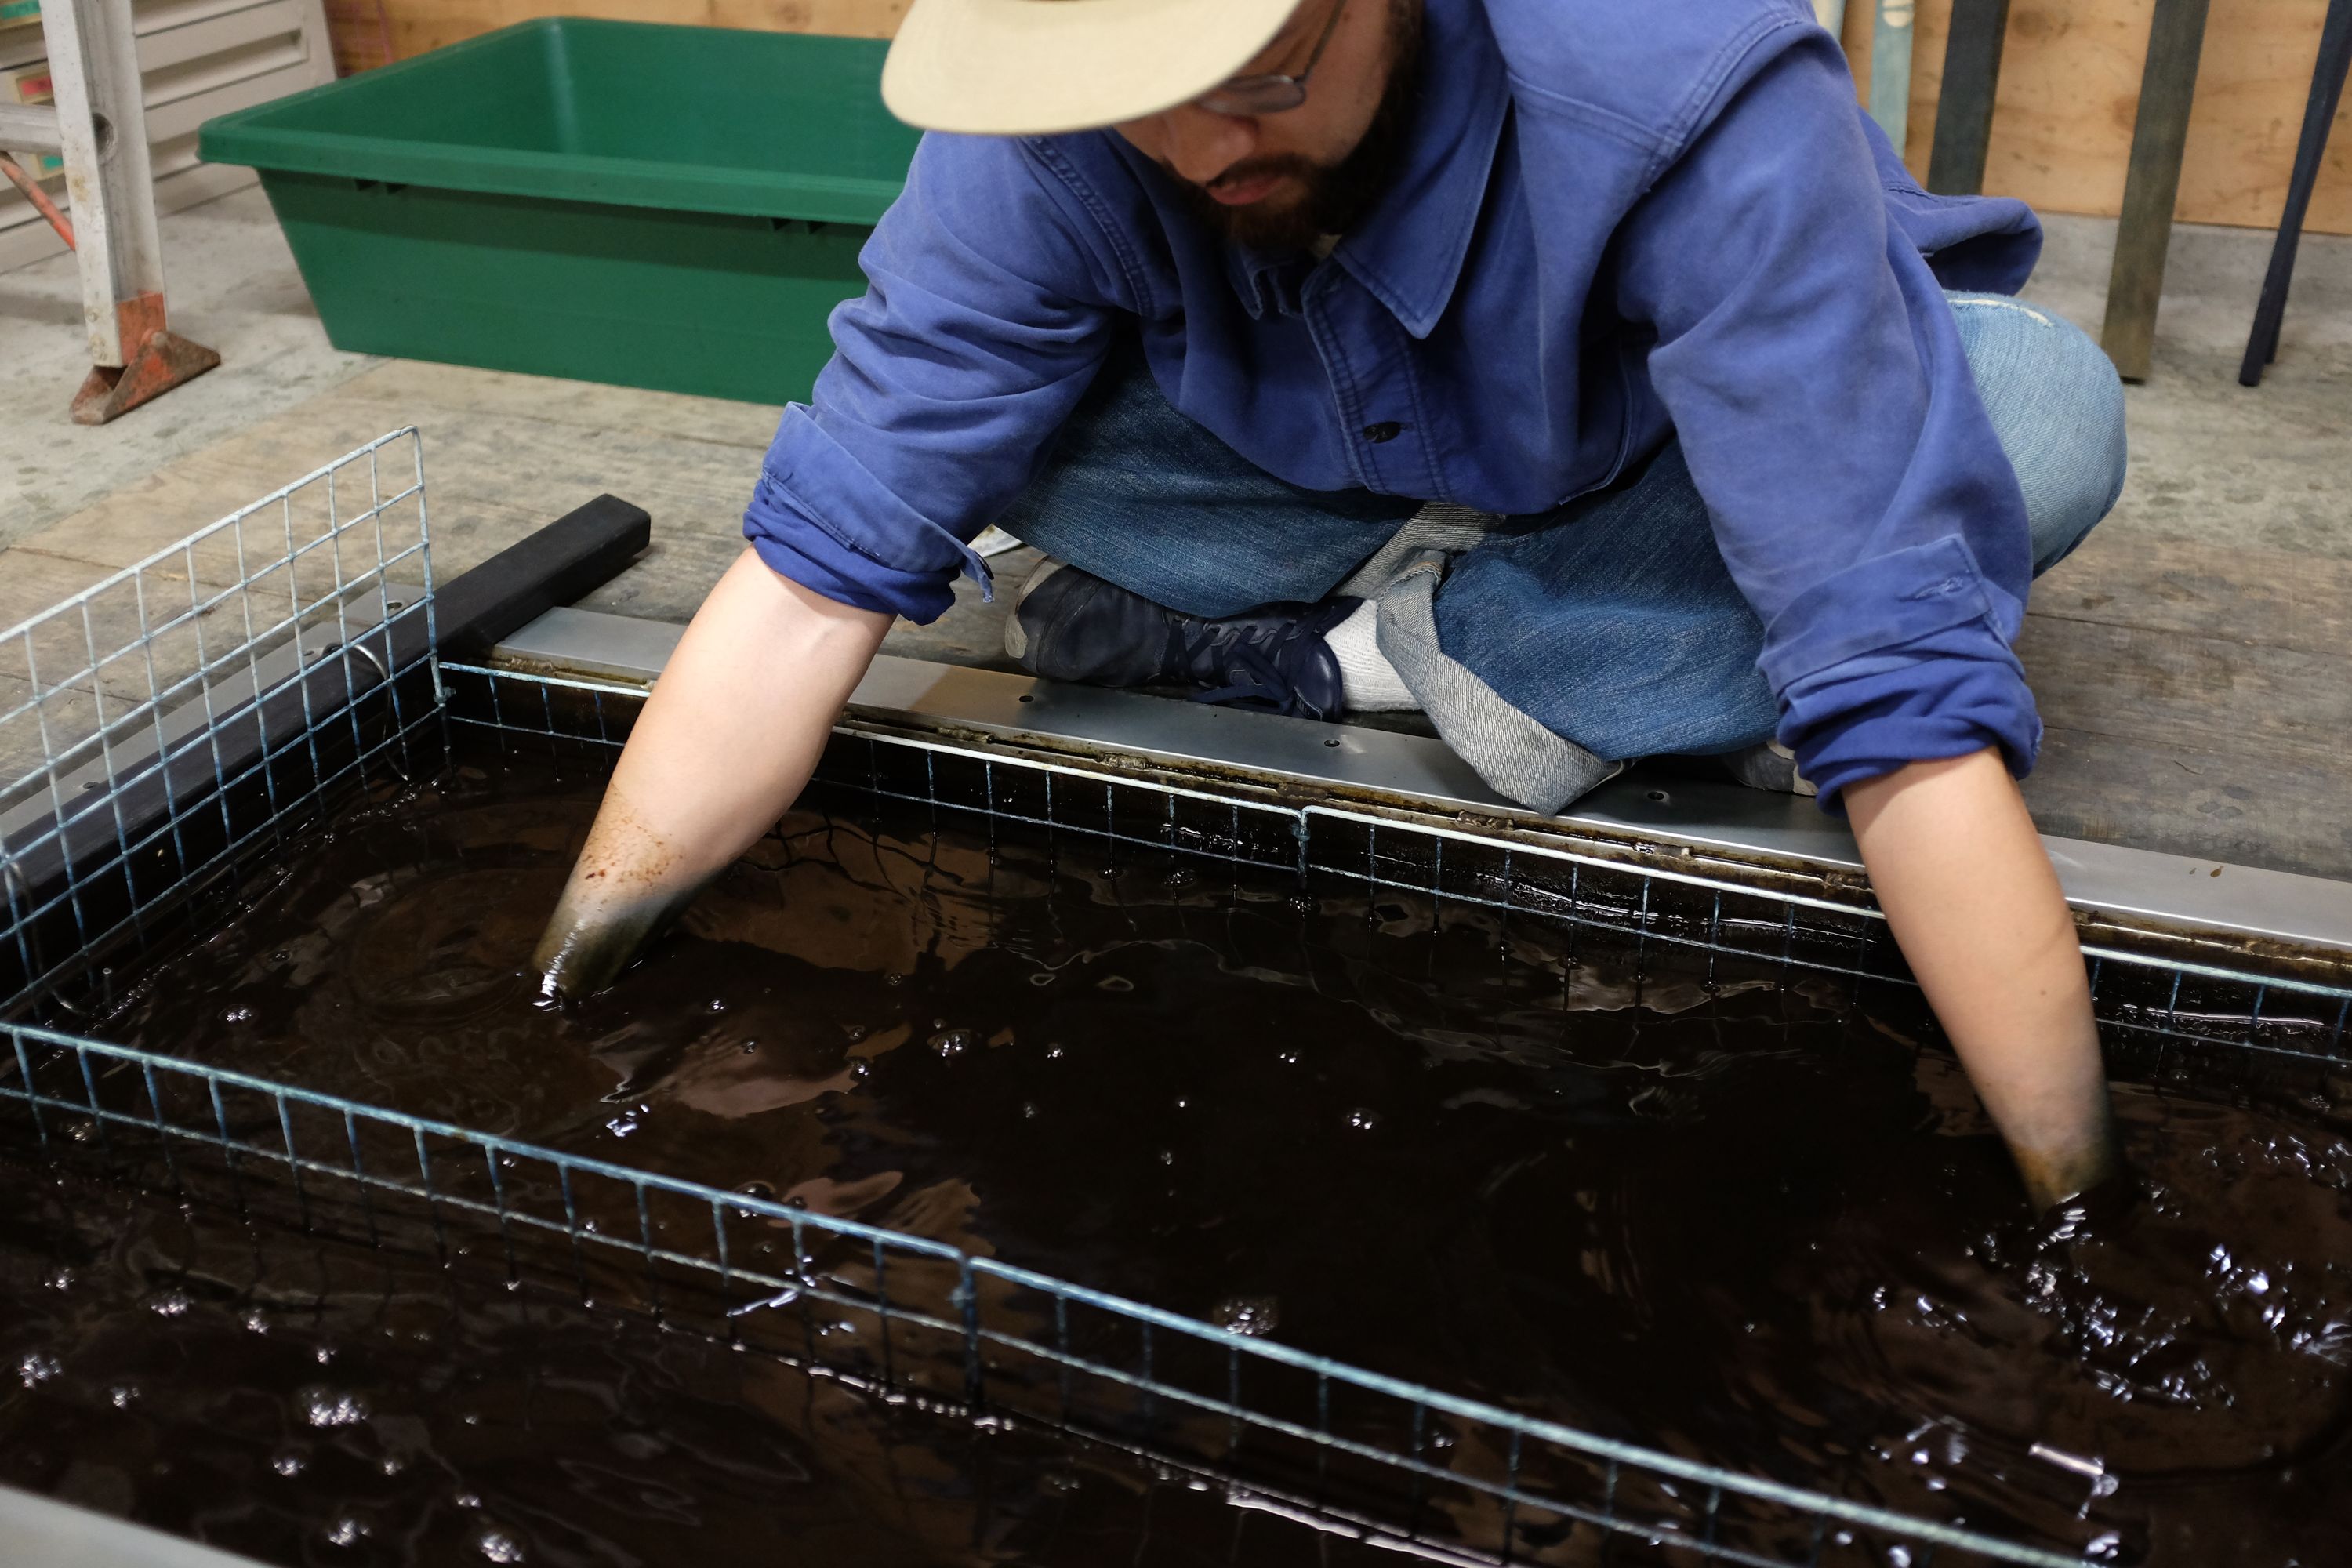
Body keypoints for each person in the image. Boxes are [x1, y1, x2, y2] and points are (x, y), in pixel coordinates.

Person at [533, 0, 2129, 1212]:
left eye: (1266, 73)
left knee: (2040, 418)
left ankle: (1338, 658)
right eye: (1144, 106)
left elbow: (1898, 709)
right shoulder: (1067, 112)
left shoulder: (1679, 72)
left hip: (1655, 463)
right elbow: (819, 568)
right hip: (1298, 455)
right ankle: (1509, 646)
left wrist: (2077, 1205)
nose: (1207, 147)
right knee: (1000, 437)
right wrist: (571, 981)